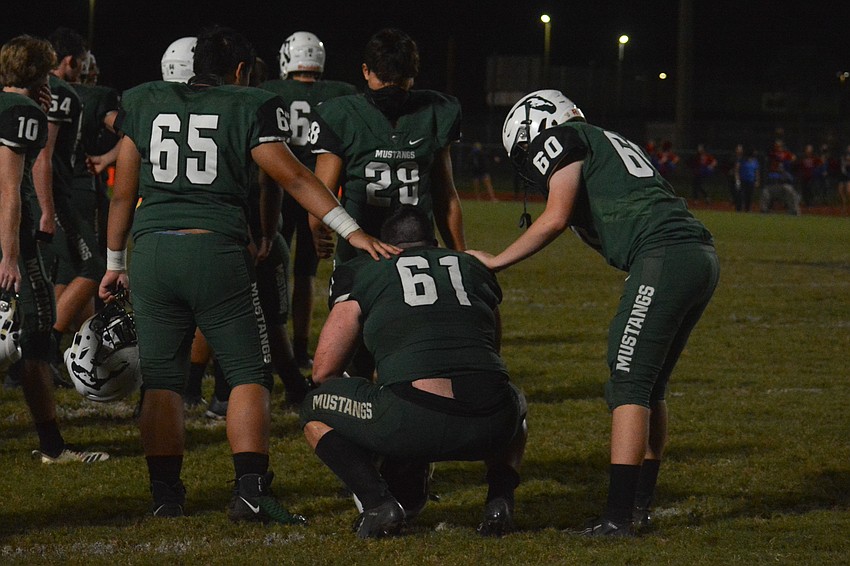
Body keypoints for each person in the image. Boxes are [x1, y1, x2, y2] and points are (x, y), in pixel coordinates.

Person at [98, 25, 397, 521]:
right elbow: (294, 176)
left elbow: (124, 193)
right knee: (248, 374)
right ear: (240, 70)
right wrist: (351, 231)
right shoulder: (247, 104)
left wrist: (113, 264)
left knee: (164, 381)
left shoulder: (146, 100)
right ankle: (252, 490)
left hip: (151, 250)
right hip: (214, 250)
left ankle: (166, 496)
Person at [467, 89, 719, 537]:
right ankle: (637, 506)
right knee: (649, 384)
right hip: (696, 254)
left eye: (525, 149)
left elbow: (556, 216)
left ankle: (618, 517)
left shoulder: (562, 138)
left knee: (628, 380)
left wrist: (495, 260)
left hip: (663, 253)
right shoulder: (604, 138)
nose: (529, 163)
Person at [301, 205, 527, 538]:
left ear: (386, 246)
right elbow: (492, 347)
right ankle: (499, 498)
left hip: (412, 419)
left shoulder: (369, 271)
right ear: (434, 242)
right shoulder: (473, 267)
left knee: (314, 406)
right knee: (517, 401)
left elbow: (323, 370)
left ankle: (378, 501)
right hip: (491, 422)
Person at [1, 35, 109, 464]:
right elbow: (10, 190)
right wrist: (10, 255)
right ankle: (53, 446)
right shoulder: (22, 113)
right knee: (35, 336)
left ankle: (52, 442)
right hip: (16, 241)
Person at [309, 27, 466, 265]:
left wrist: (461, 256)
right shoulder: (340, 115)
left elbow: (445, 194)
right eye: (384, 78)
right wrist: (316, 224)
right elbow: (322, 193)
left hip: (416, 247)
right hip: (363, 248)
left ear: (412, 77)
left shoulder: (435, 112)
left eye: (399, 79)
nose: (390, 87)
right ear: (365, 71)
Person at [260, 31, 358, 370]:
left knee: (269, 269)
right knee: (305, 274)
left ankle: (270, 346)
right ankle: (300, 349)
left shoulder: (271, 89)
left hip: (278, 191)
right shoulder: (341, 93)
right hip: (320, 190)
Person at [33, 27, 106, 379]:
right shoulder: (59, 92)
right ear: (69, 61)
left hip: (30, 193)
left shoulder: (30, 87)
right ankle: (43, 347)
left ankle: (55, 352)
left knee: (63, 271)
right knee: (93, 268)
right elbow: (43, 156)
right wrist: (48, 208)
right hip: (53, 195)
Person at [733, 146, 760, 212]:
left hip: (751, 181)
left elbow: (756, 171)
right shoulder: (741, 160)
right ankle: (739, 209)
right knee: (740, 195)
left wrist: (757, 180)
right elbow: (736, 170)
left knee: (749, 196)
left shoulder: (755, 161)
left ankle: (747, 209)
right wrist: (737, 180)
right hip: (742, 180)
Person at [838, 144, 850, 215]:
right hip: (842, 176)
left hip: (849, 176)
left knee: (848, 192)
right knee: (841, 192)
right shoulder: (843, 157)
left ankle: (847, 207)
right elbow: (842, 166)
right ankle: (843, 208)